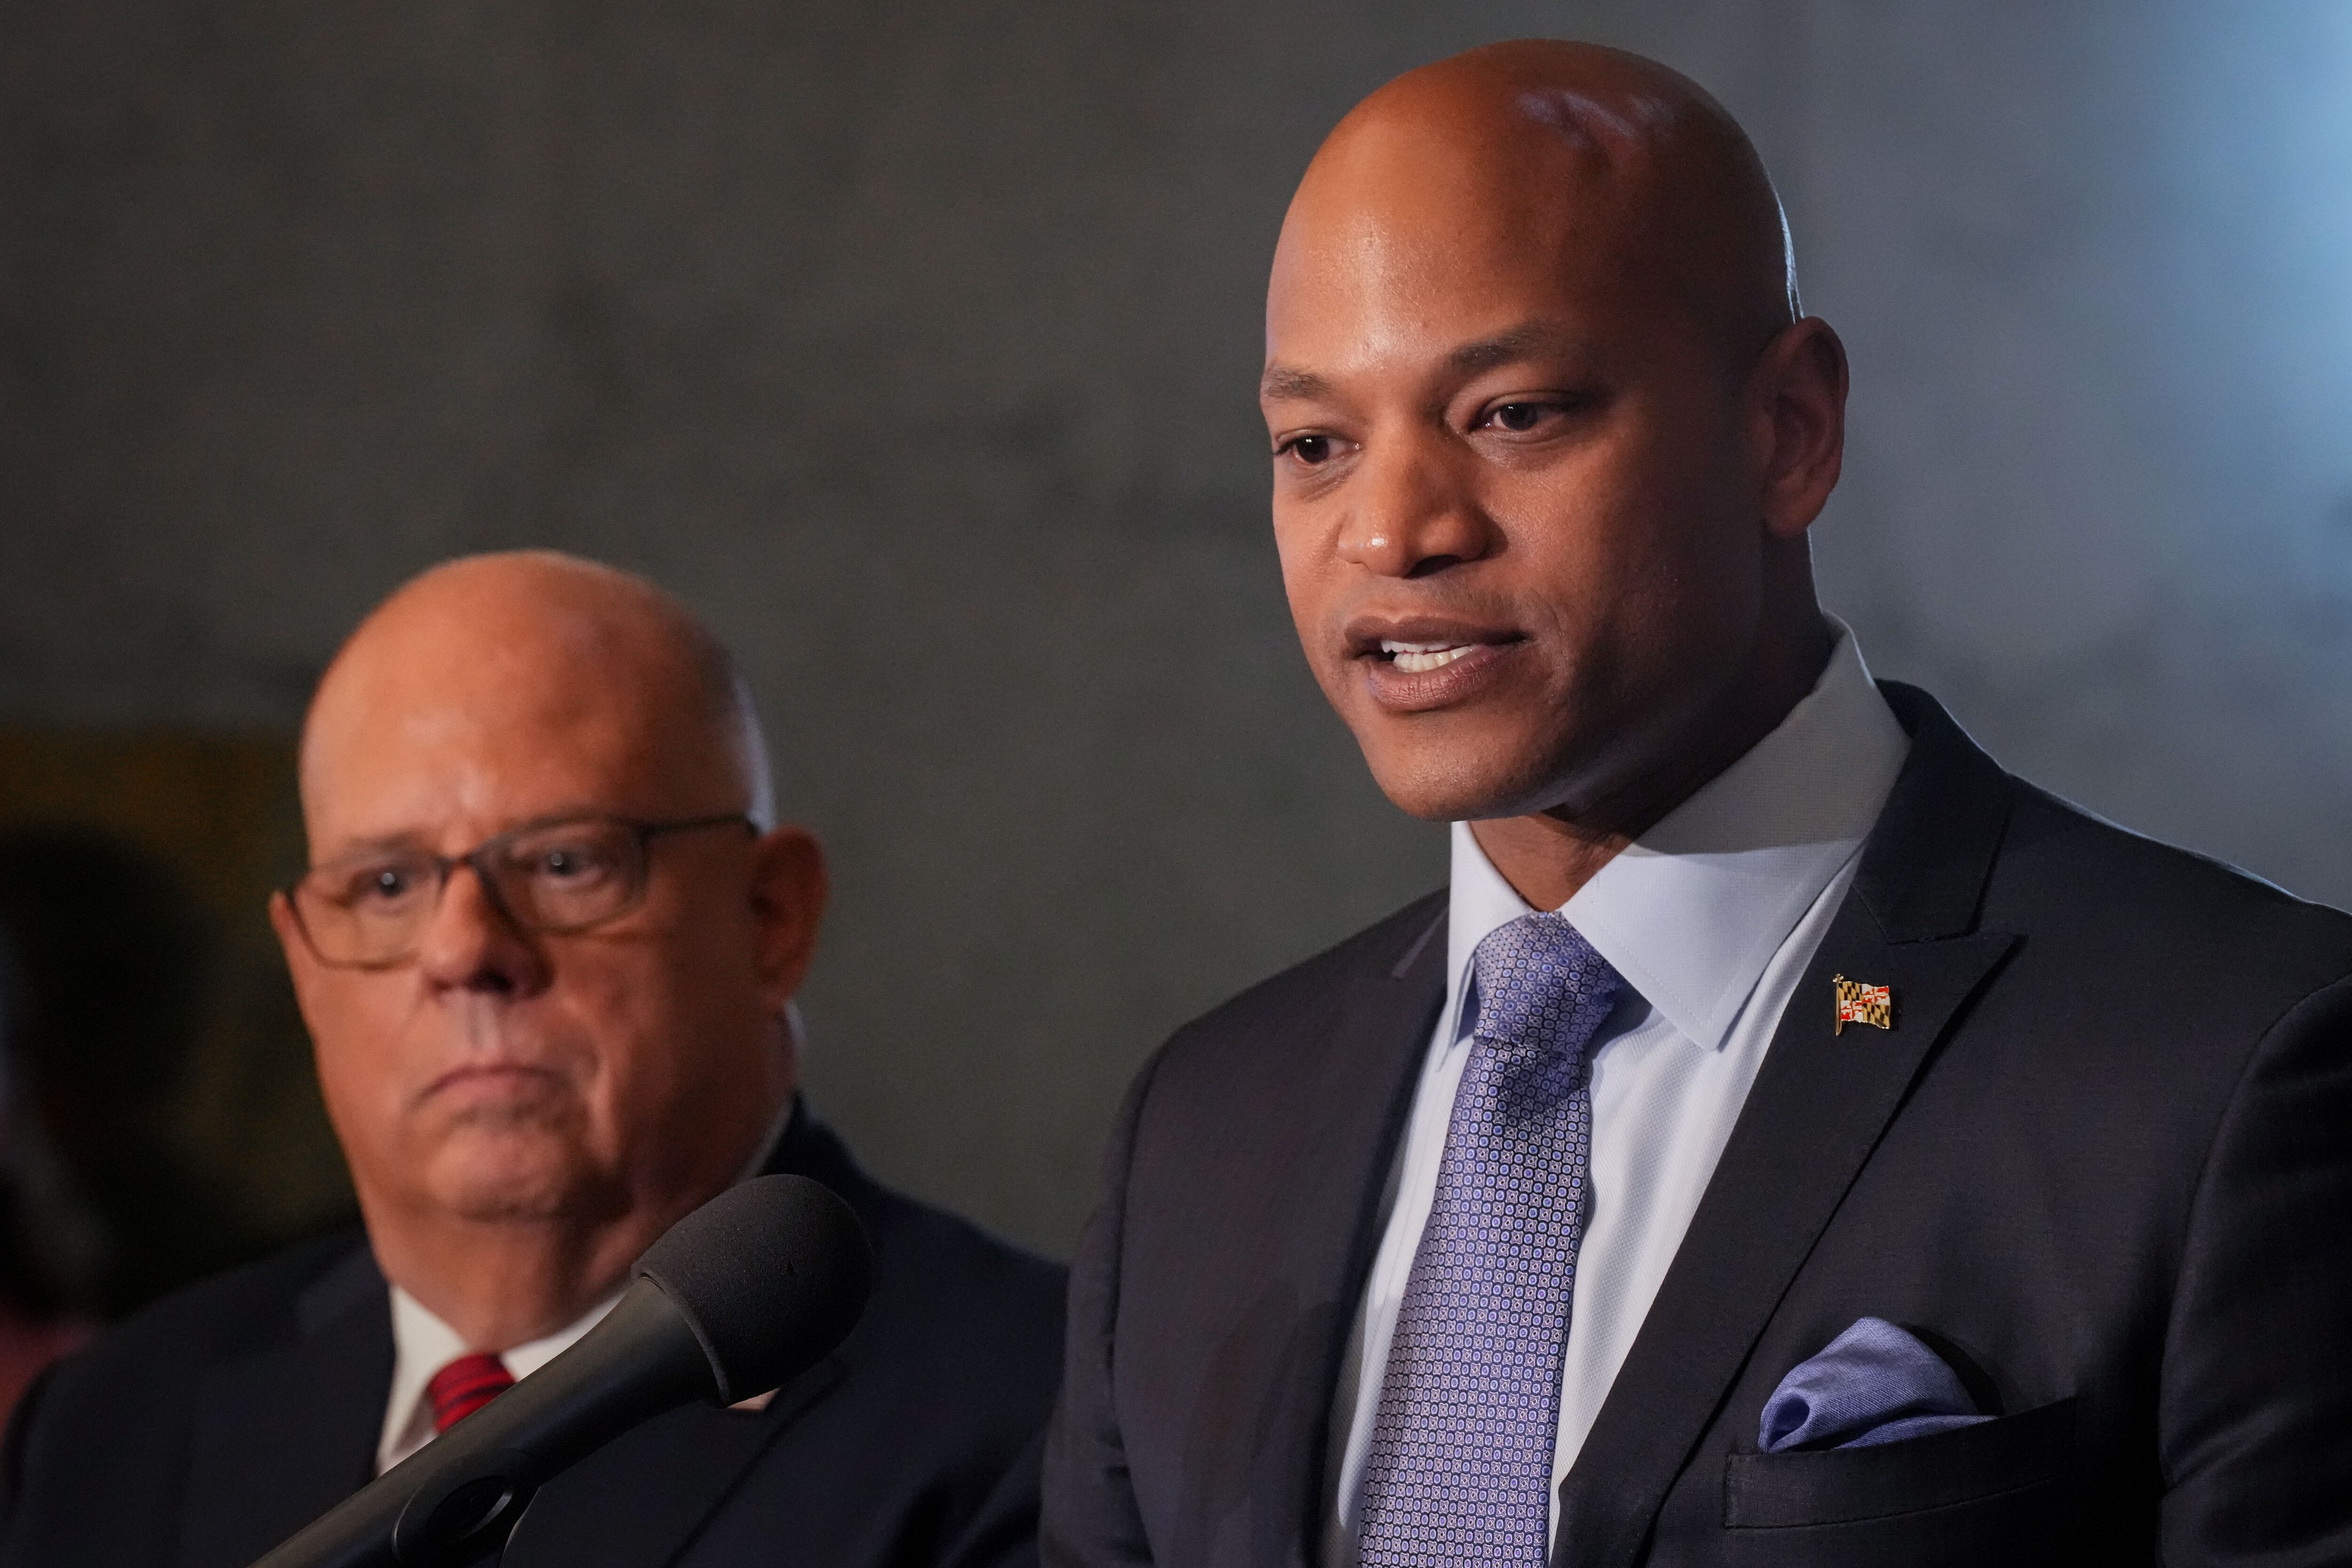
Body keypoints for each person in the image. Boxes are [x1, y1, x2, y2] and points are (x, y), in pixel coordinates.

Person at [1041, 39, 2352, 1568]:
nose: (1391, 528)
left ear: (1789, 431)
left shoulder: (2237, 1062)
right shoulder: (1204, 1130)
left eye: (1513, 413)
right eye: (1316, 444)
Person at [0, 551, 1065, 1568]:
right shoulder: (108, 1426)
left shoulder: (1049, 1409)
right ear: (307, 968)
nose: (467, 949)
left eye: (567, 862)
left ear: (771, 915)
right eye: (385, 886)